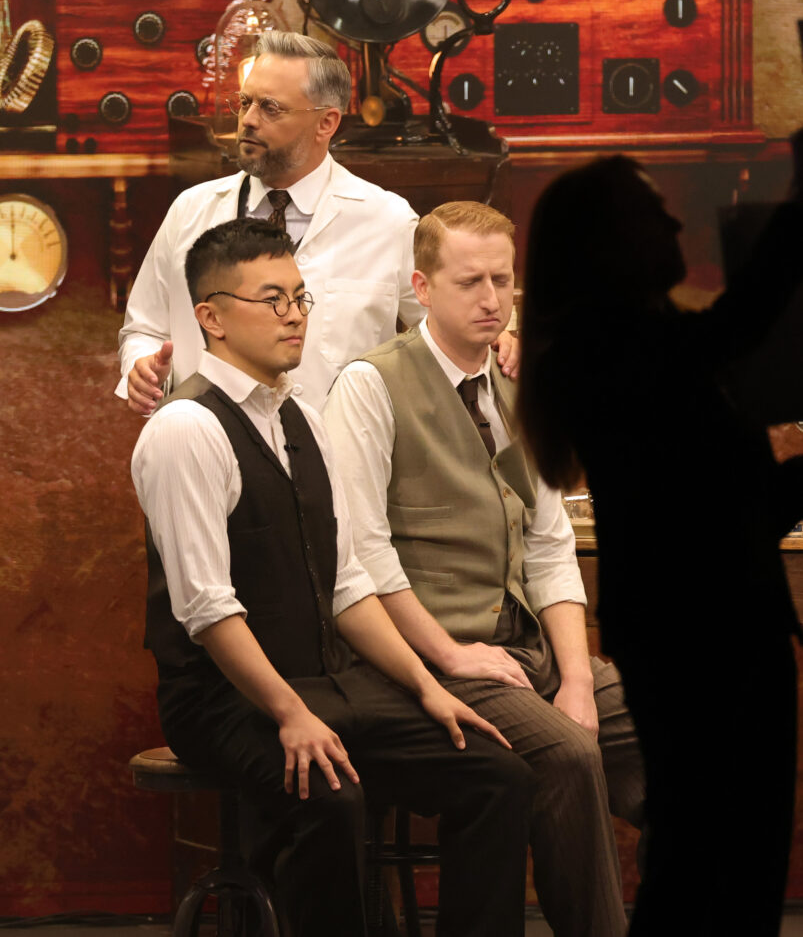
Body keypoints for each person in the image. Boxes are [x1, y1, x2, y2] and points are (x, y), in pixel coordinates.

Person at [131, 216, 531, 937]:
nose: (294, 316)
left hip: (328, 683)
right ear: (210, 317)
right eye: (271, 300)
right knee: (331, 799)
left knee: (497, 778)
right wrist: (289, 713)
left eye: (300, 297)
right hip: (224, 702)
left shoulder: (304, 419)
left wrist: (424, 687)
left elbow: (349, 586)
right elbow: (207, 610)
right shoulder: (184, 429)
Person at [323, 201, 646, 937]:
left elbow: (547, 543)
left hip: (522, 647)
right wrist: (446, 653)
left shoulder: (518, 384)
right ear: (422, 286)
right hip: (424, 657)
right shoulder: (369, 387)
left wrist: (574, 679)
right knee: (566, 755)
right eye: (469, 281)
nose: (492, 299)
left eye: (502, 280)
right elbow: (362, 555)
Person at [517, 155, 803, 937]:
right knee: (711, 864)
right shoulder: (610, 349)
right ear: (608, 241)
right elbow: (741, 324)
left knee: (725, 859)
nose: (676, 223)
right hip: (698, 638)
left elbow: (735, 511)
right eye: (653, 212)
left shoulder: (636, 345)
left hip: (714, 629)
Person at [117, 30, 517, 414]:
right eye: (244, 103)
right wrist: (143, 369)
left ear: (327, 123)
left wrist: (496, 338)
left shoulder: (387, 220)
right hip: (209, 452)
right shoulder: (190, 211)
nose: (248, 120)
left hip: (340, 462)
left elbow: (446, 331)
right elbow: (143, 329)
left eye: (270, 107)